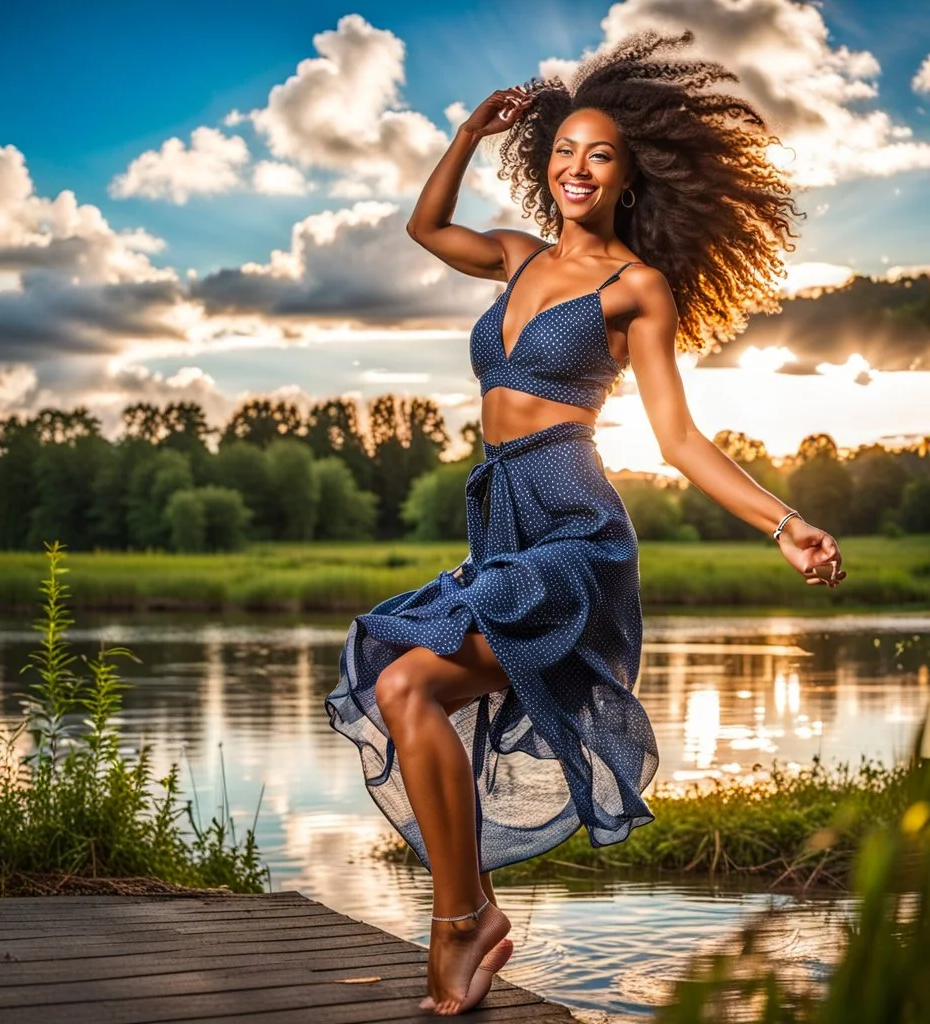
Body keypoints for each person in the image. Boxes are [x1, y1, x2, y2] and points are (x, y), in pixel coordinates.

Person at [325, 30, 846, 1017]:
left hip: (574, 530)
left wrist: (783, 522)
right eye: (563, 149)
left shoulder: (633, 288)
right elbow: (426, 228)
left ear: (627, 175)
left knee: (405, 682)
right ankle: (470, 911)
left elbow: (681, 439)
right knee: (402, 685)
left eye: (598, 153)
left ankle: (457, 928)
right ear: (543, 164)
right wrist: (470, 132)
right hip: (500, 523)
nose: (576, 165)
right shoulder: (514, 259)